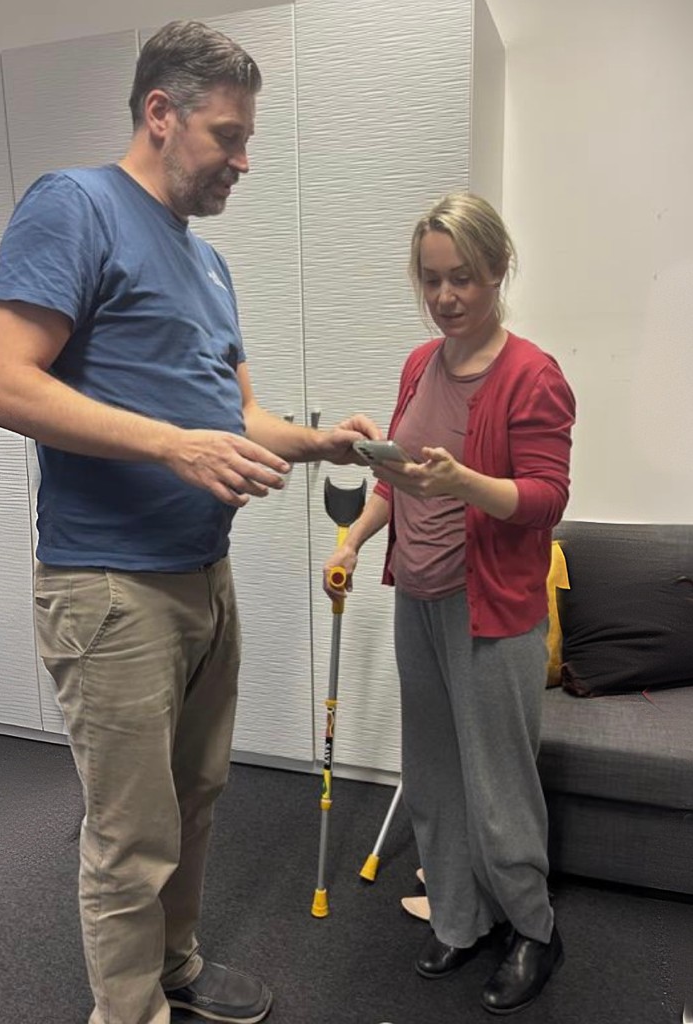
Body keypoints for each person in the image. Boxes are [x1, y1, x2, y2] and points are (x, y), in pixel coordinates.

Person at [0, 20, 379, 1024]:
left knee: (194, 799)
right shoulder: (74, 206)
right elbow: (0, 383)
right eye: (227, 136)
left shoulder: (208, 267)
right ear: (161, 113)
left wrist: (320, 445)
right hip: (109, 586)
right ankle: (128, 1011)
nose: (242, 160)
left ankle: (174, 967)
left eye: (246, 140)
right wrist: (170, 447)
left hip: (202, 576)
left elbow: (238, 418)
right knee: (130, 834)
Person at [323, 193, 575, 1015]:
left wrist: (463, 481)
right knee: (432, 774)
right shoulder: (417, 366)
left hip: (491, 607)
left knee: (498, 786)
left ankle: (533, 929)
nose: (444, 297)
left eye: (461, 278)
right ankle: (460, 920)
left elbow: (545, 498)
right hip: (419, 596)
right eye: (430, 280)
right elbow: (398, 482)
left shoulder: (531, 375)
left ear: (497, 269)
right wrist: (353, 540)